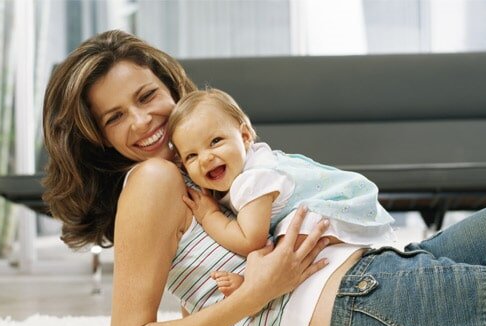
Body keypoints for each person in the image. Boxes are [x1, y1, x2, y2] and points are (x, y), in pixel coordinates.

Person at [42, 29, 486, 326]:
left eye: (146, 95)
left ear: (171, 88)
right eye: (113, 118)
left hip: (391, 265)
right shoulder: (153, 178)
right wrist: (256, 293)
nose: (140, 121)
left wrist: (227, 293)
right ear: (96, 138)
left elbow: (200, 278)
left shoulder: (200, 165)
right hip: (362, 308)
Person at [168, 88, 395, 296]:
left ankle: (250, 285)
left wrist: (209, 216)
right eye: (191, 156)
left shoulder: (251, 180)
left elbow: (250, 240)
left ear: (245, 136)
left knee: (283, 247)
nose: (205, 158)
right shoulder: (248, 163)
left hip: (333, 211)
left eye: (215, 141)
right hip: (345, 201)